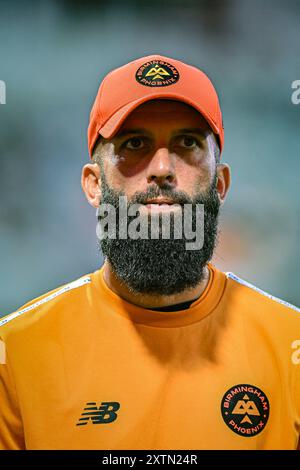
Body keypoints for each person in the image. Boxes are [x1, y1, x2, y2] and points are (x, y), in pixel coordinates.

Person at [0, 54, 299, 451]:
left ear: (221, 184)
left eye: (187, 143)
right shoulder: (15, 355)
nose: (161, 167)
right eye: (135, 144)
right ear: (93, 185)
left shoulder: (290, 345)